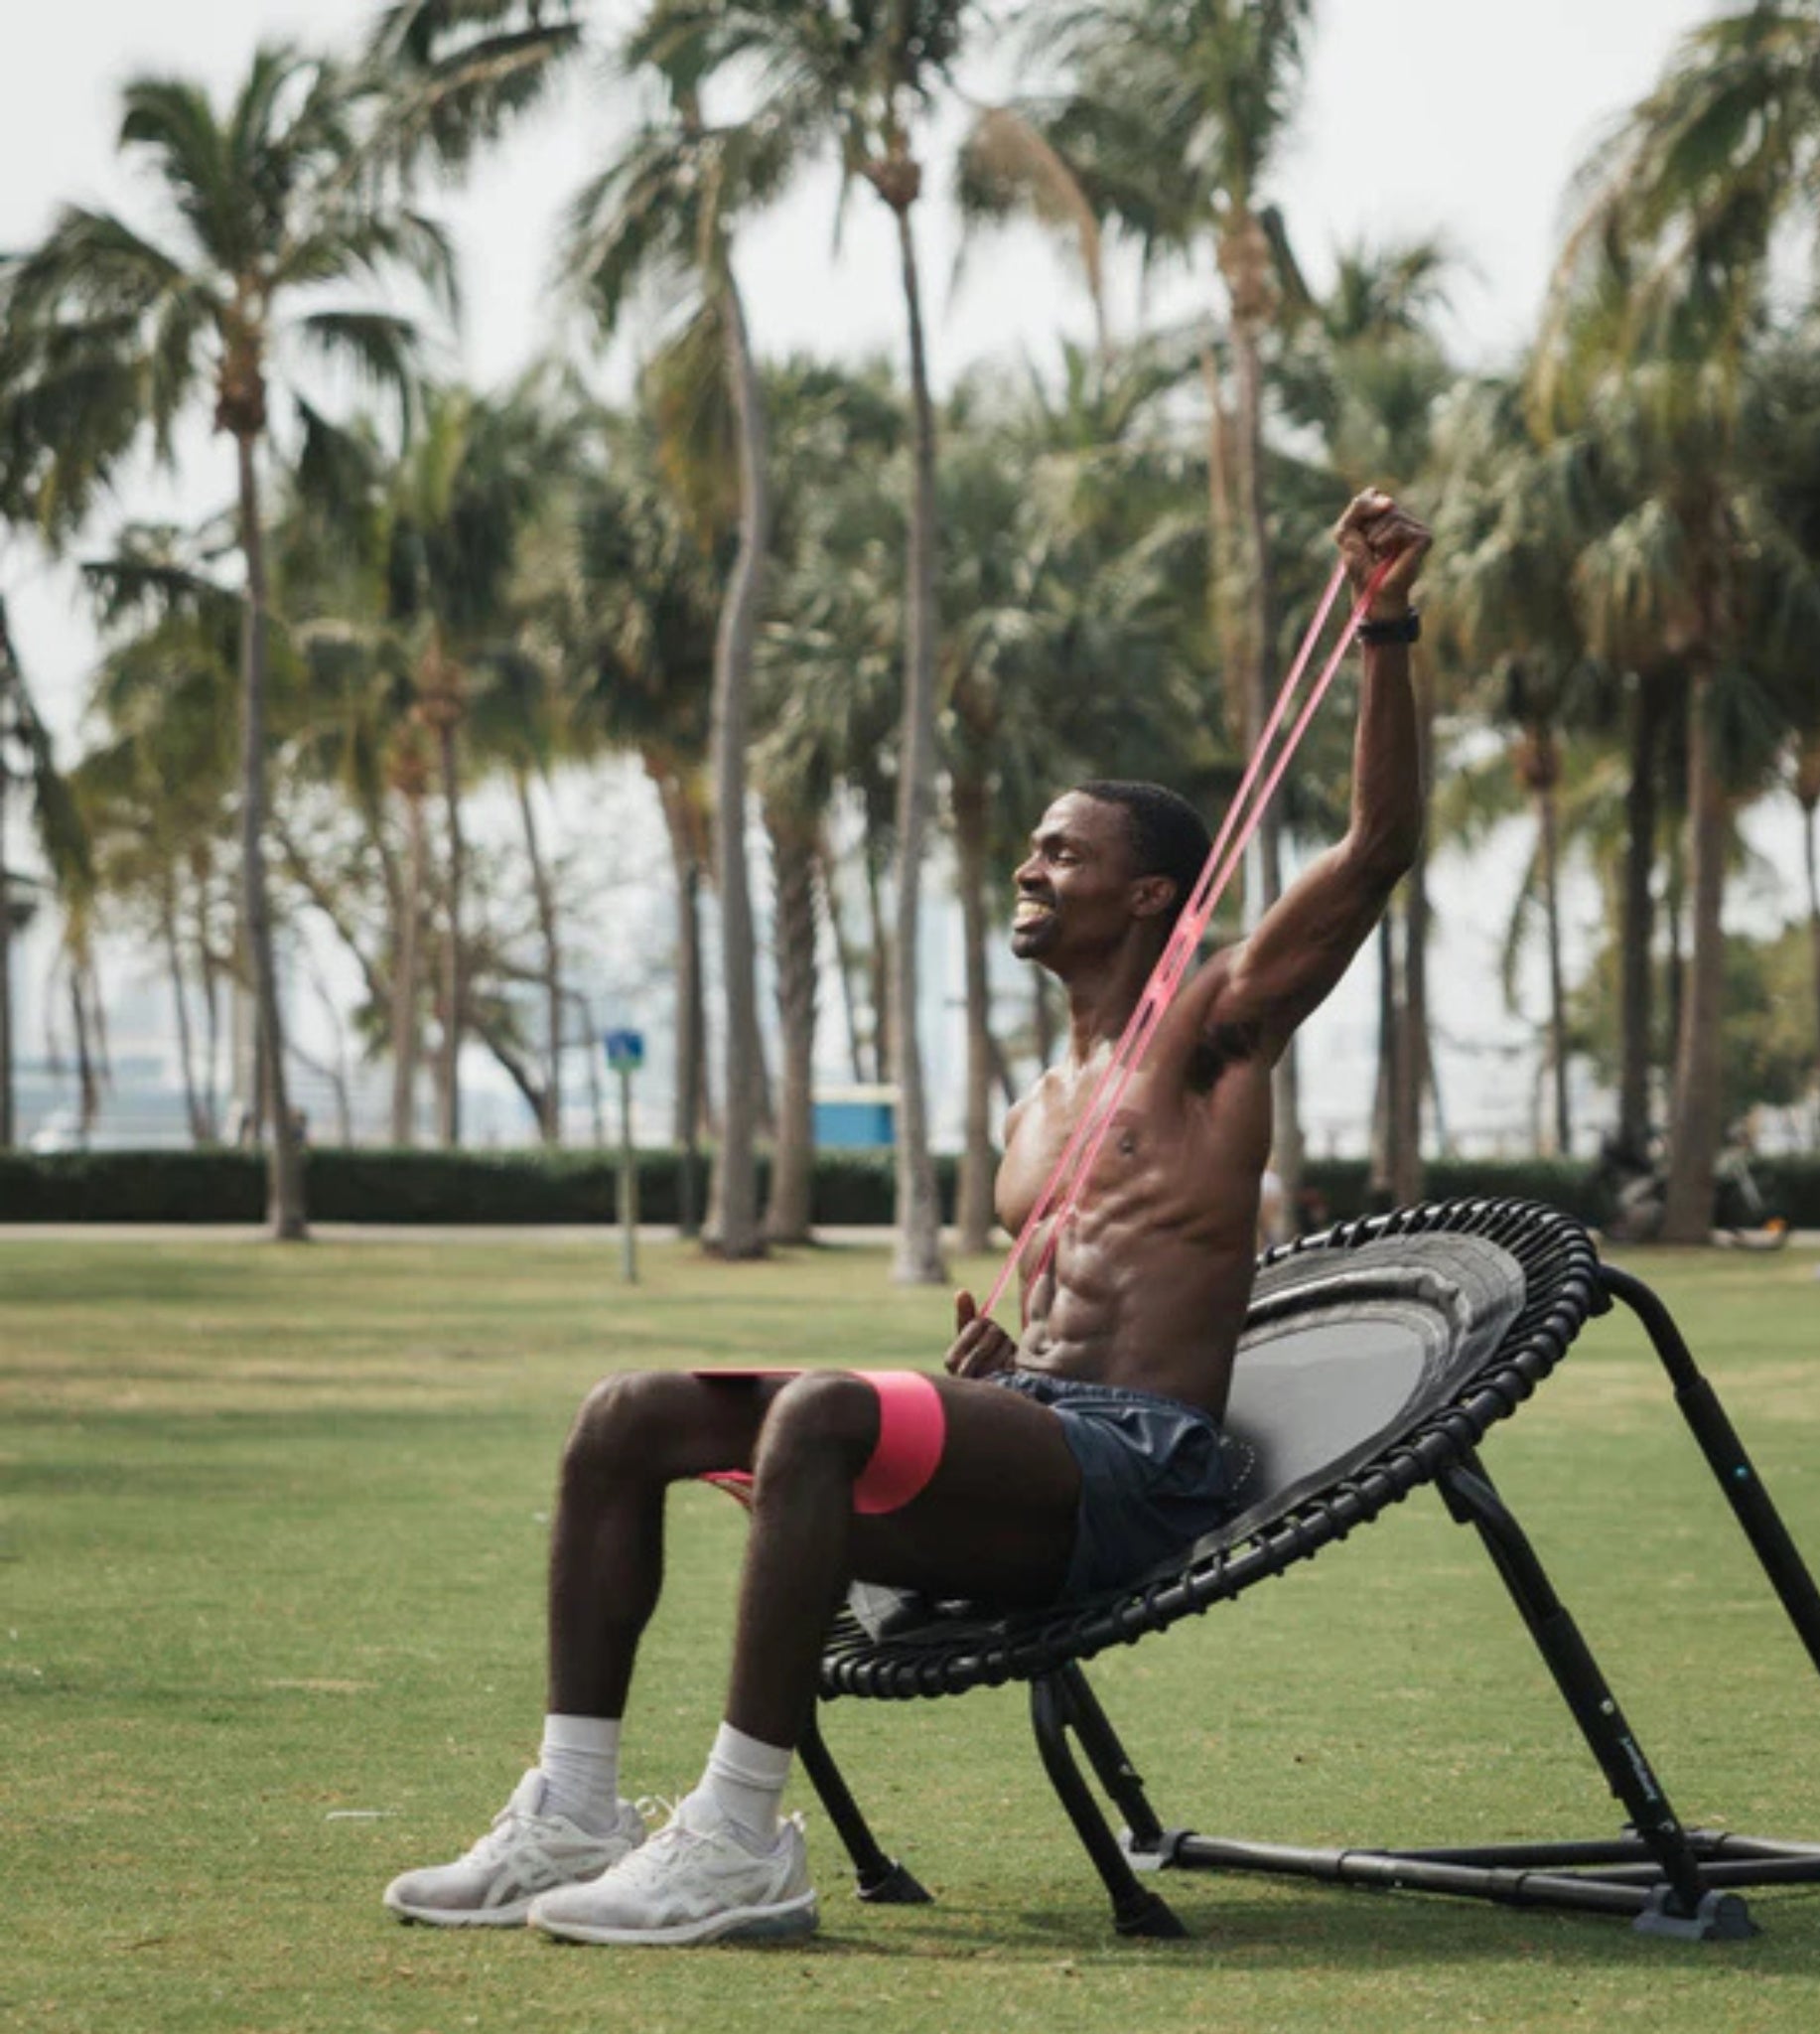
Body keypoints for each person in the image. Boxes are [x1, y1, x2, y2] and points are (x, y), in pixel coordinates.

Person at [381, 490, 1431, 1948]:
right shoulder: (1037, 1100)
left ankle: (739, 1840)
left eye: (1063, 853)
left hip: (1145, 1469)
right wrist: (991, 1383)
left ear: (1146, 896)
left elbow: (1378, 846)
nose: (1028, 865)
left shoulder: (1213, 1026)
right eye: (1033, 847)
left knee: (822, 1411)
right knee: (628, 1411)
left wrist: (1381, 618)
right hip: (1045, 1448)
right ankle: (572, 1806)